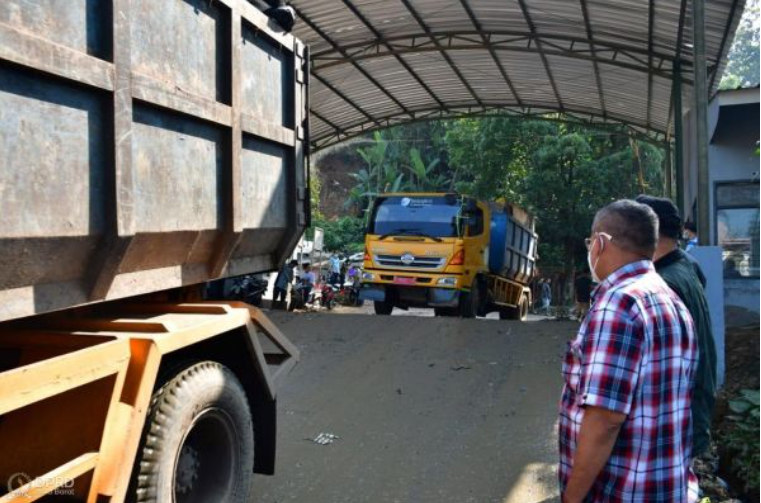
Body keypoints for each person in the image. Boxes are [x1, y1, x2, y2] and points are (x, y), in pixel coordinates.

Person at [559, 199, 697, 503]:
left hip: (621, 492)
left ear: (600, 243)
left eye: (590, 240)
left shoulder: (619, 304)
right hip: (665, 487)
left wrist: (571, 498)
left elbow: (605, 421)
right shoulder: (669, 299)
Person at [636, 195, 717, 460]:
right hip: (694, 411)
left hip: (674, 427)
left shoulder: (661, 284)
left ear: (647, 230)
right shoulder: (687, 264)